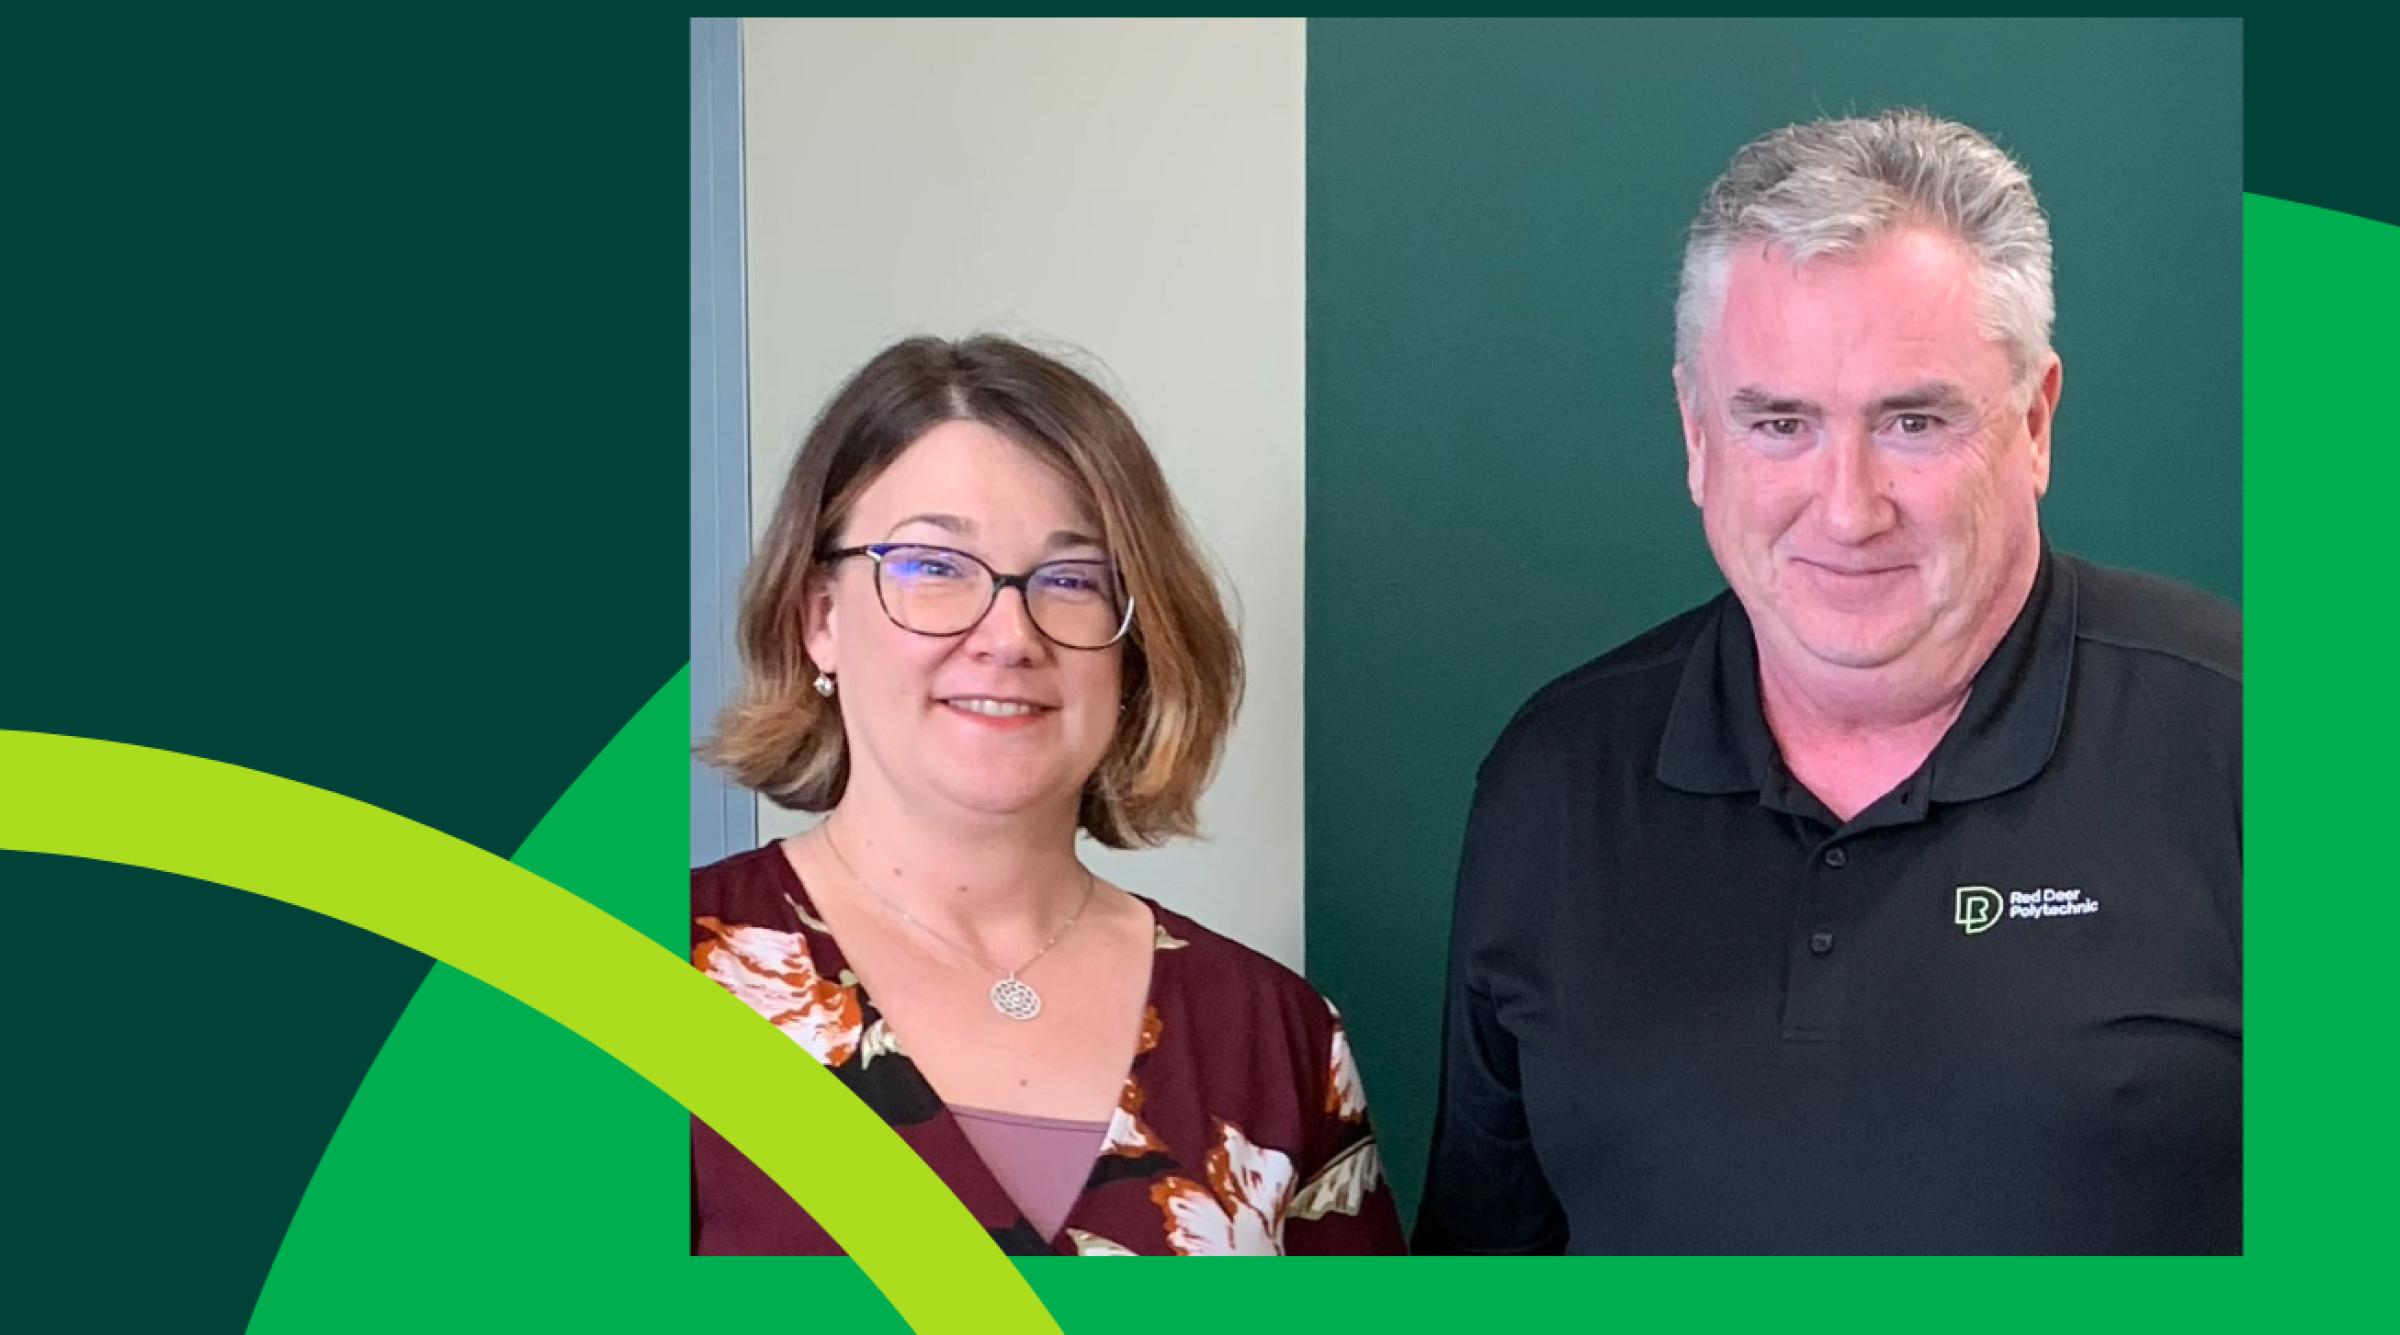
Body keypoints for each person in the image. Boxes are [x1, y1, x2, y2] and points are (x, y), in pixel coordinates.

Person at [1415, 110, 2240, 1254]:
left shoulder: (2258, 740)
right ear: (1697, 434)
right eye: (1779, 422)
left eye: (1913, 420)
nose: (1847, 508)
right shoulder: (1557, 777)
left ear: (2036, 421)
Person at [694, 334, 1404, 1256]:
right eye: (933, 566)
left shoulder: (1275, 1035)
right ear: (819, 618)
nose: (1009, 634)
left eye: (1071, 579)